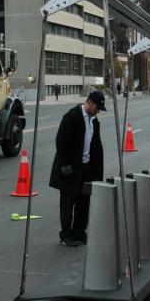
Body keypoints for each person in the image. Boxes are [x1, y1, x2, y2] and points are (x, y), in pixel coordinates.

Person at [49, 90, 106, 247]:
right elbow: (61, 141)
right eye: (97, 107)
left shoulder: (94, 121)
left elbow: (95, 144)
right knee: (68, 202)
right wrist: (65, 164)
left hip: (86, 168)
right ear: (89, 102)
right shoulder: (71, 117)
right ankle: (66, 235)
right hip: (71, 168)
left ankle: (79, 232)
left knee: (84, 202)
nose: (98, 111)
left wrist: (97, 167)